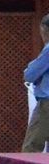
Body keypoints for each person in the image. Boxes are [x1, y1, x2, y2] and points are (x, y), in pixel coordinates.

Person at [24, 12, 49, 150]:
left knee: (31, 147)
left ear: (44, 30)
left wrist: (30, 69)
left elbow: (30, 74)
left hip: (47, 104)